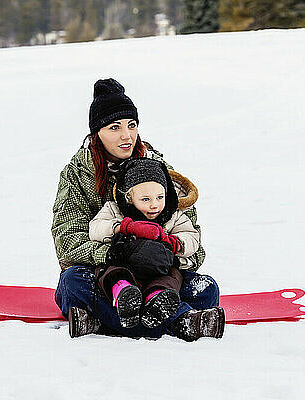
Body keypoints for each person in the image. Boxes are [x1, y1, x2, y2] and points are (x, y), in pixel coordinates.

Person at [52, 78, 224, 341]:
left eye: (132, 125)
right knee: (73, 284)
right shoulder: (77, 174)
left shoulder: (157, 169)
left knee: (206, 290)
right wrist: (122, 252)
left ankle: (100, 322)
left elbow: (194, 244)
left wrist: (161, 253)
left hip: (160, 277)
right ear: (97, 132)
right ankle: (181, 320)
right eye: (114, 127)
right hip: (109, 278)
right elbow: (68, 244)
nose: (126, 136)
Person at [89, 157, 201, 329]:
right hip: (126, 262)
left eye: (159, 197)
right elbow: (95, 229)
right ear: (129, 198)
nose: (154, 205)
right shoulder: (115, 209)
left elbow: (192, 237)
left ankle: (157, 300)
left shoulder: (173, 215)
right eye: (145, 199)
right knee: (111, 272)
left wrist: (172, 242)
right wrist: (125, 227)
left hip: (160, 267)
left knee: (173, 276)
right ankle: (124, 295)